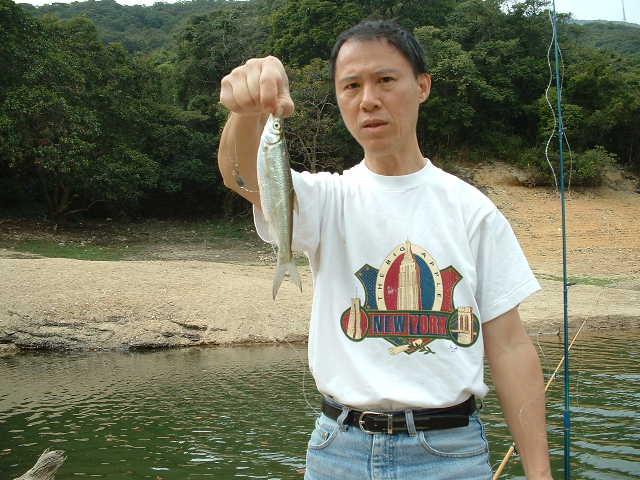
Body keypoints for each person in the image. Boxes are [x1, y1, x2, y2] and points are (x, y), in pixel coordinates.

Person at [218, 20, 553, 480]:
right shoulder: (326, 199)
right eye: (351, 86)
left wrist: (539, 472)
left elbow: (511, 346)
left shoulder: (472, 210)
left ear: (422, 86)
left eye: (385, 80)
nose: (368, 99)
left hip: (450, 455)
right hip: (338, 452)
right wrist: (248, 111)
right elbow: (242, 178)